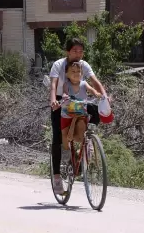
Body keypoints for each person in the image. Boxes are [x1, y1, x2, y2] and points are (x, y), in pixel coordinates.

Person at [48, 38, 108, 195]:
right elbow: (54, 85)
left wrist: (104, 96)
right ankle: (57, 178)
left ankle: (86, 142)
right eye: (75, 51)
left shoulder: (84, 65)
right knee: (57, 138)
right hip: (63, 100)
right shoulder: (58, 65)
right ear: (67, 51)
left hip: (80, 101)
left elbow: (94, 82)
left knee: (95, 113)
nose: (78, 54)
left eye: (81, 51)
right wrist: (53, 99)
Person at [60, 61, 102, 151]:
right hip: (68, 111)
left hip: (81, 111)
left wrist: (97, 94)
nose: (76, 74)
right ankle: (67, 152)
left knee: (82, 134)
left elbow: (91, 90)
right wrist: (65, 96)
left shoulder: (83, 83)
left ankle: (85, 146)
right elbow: (65, 92)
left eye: (78, 71)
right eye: (73, 71)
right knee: (64, 134)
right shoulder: (66, 84)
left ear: (82, 73)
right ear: (67, 74)